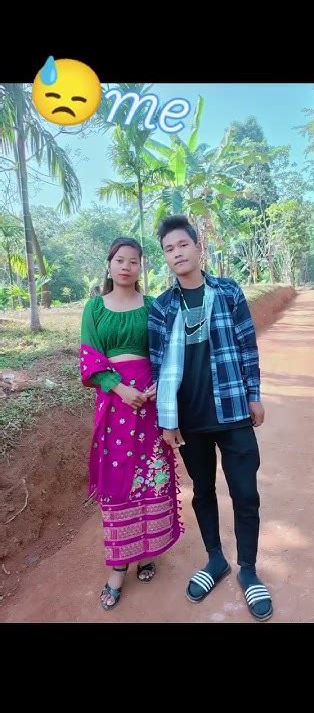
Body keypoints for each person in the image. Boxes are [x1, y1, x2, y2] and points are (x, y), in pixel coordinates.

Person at [148, 215, 272, 621]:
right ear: (165, 257)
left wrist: (254, 395)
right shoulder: (162, 307)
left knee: (245, 494)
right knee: (202, 491)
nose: (177, 253)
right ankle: (215, 559)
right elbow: (157, 367)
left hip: (233, 410)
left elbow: (247, 345)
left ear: (198, 247)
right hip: (190, 420)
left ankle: (248, 569)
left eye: (182, 245)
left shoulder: (228, 291)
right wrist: (167, 420)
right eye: (169, 249)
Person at [80, 236, 183, 611]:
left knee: (151, 476)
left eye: (134, 261)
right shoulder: (94, 308)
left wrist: (158, 385)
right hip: (115, 406)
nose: (126, 266)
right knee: (119, 481)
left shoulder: (153, 306)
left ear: (142, 267)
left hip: (151, 405)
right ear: (109, 264)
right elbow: (90, 359)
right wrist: (121, 389)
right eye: (120, 260)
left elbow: (166, 352)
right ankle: (119, 566)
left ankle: (148, 552)